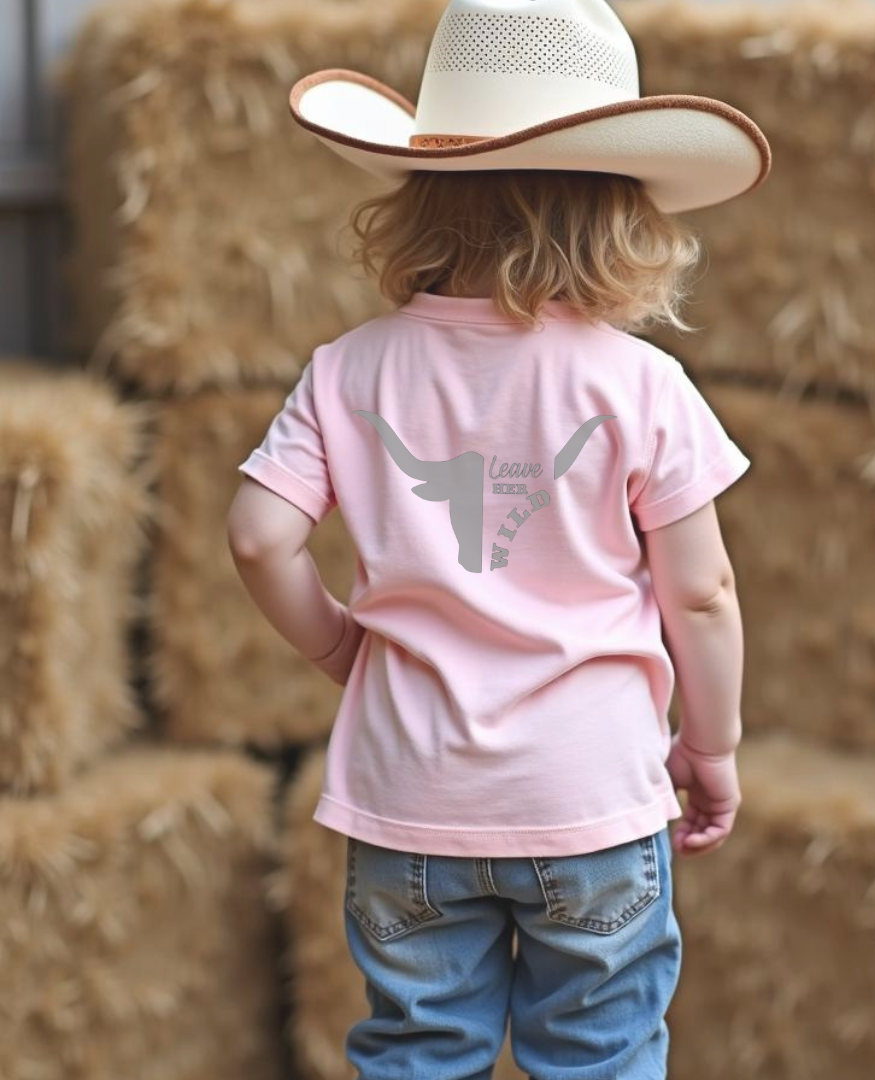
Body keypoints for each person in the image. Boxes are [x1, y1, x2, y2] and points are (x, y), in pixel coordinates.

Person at [226, 0, 769, 1075]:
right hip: (594, 798)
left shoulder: (350, 368)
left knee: (419, 1051)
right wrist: (710, 748)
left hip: (407, 800)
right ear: (623, 215)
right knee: (602, 1053)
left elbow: (256, 538)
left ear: (419, 195)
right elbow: (701, 596)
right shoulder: (640, 383)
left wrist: (343, 650)